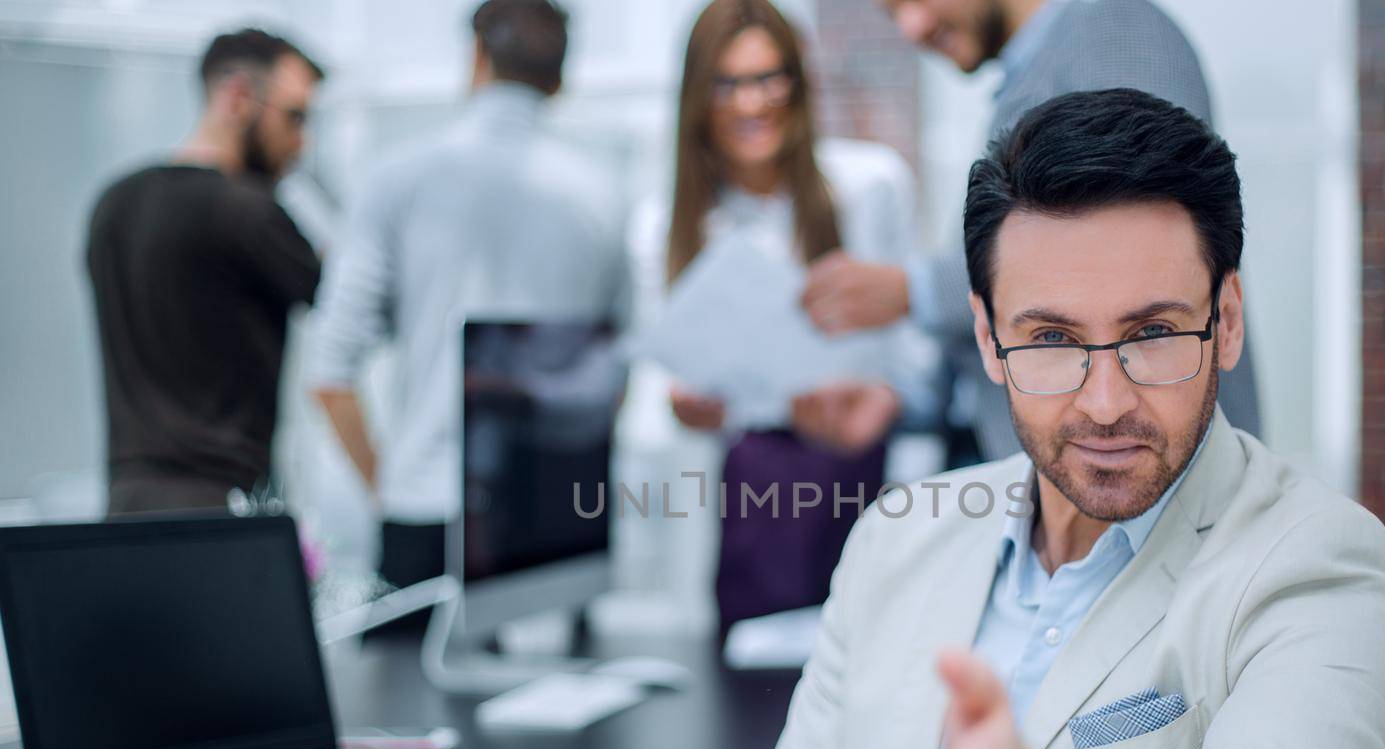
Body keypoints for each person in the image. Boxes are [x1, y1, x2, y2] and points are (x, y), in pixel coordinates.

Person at [705, 89, 1385, 749]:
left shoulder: (1323, 566)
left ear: (1226, 321)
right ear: (987, 337)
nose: (1105, 401)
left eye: (1153, 333)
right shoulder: (899, 537)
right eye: (1050, 339)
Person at [800, 0, 1262, 465]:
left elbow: (1135, 255)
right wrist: (902, 403)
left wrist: (912, 290)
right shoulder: (1043, 63)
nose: (911, 27)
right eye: (890, 12)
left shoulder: (1114, 30)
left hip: (1134, 478)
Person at [629, 0, 935, 635]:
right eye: (728, 83)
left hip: (860, 476)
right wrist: (685, 410)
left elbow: (918, 355)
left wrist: (886, 397)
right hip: (747, 500)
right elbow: (664, 387)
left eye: (769, 78)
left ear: (798, 82)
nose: (751, 103)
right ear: (697, 97)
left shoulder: (870, 187)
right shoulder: (664, 228)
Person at [307, 0, 625, 592]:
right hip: (553, 517)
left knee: (406, 685)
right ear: (559, 78)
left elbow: (330, 372)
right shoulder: (602, 196)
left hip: (426, 511)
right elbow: (612, 376)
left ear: (476, 57)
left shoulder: (397, 177)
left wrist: (390, 486)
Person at [86, 28, 323, 515]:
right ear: (237, 97)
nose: (300, 143)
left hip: (125, 505)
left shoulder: (114, 205)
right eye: (294, 117)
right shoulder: (250, 214)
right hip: (220, 510)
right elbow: (346, 300)